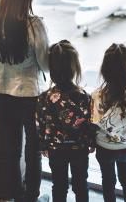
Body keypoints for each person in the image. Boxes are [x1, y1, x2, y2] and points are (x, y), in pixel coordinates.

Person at [0, 0, 49, 202]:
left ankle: (14, 194)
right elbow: (45, 63)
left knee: (10, 151)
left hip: (3, 93)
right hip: (30, 96)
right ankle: (31, 197)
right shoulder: (34, 26)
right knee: (33, 151)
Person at [36, 40, 95, 202]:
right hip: (80, 148)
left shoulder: (44, 98)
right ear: (74, 68)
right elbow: (90, 124)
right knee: (81, 184)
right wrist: (91, 142)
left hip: (56, 149)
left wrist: (43, 146)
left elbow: (40, 126)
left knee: (59, 186)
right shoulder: (84, 97)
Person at [91, 43, 126, 202]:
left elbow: (94, 125)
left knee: (108, 182)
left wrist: (92, 142)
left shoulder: (97, 96)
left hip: (104, 148)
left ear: (104, 70)